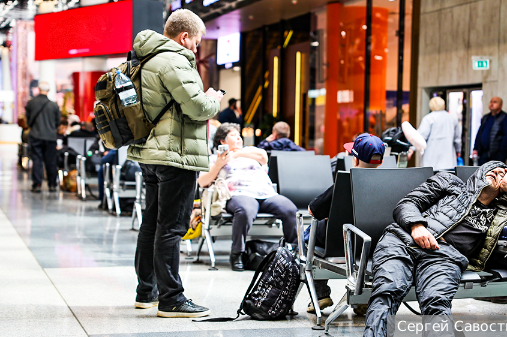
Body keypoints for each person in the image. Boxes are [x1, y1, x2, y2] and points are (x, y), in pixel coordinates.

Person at [364, 161, 507, 337]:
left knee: (437, 302)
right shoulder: (449, 182)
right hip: (403, 241)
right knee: (388, 290)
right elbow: (407, 203)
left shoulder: (504, 213)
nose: (497, 172)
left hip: (444, 257)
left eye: (502, 173)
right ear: (479, 173)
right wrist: (417, 226)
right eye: (492, 169)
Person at [127, 9, 223, 318]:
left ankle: (147, 292)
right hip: (175, 154)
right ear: (184, 37)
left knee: (152, 222)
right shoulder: (174, 60)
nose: (196, 49)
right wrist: (214, 98)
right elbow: (197, 107)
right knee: (171, 227)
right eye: (196, 43)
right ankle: (171, 299)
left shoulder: (144, 58)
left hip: (149, 153)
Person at [198, 123, 299, 271]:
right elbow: (202, 182)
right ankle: (237, 253)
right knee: (245, 210)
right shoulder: (214, 158)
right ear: (222, 142)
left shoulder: (250, 152)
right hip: (239, 193)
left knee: (290, 209)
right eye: (233, 135)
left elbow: (263, 157)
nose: (239, 138)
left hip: (266, 193)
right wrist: (219, 164)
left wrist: (237, 154)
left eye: (239, 136)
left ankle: (294, 251)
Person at [304, 133, 384, 314]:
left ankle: (320, 293)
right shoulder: (389, 184)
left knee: (308, 235)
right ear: (380, 161)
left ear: (355, 160)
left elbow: (313, 210)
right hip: (373, 245)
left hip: (338, 243)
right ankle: (363, 296)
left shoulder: (343, 184)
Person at [25, 81, 61, 193]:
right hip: (50, 137)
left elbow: (28, 120)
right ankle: (52, 184)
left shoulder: (31, 103)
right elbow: (57, 122)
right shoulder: (54, 105)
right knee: (51, 161)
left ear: (38, 89)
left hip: (35, 135)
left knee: (37, 160)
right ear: (48, 90)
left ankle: (37, 184)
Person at [417, 97, 461, 171]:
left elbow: (420, 137)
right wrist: (458, 151)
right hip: (448, 161)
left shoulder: (428, 118)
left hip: (431, 162)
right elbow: (457, 138)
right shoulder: (452, 118)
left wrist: (411, 148)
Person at [473, 96, 507, 164]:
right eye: (491, 102)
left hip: (497, 155)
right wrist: (475, 148)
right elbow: (480, 133)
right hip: (483, 154)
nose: (492, 104)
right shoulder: (486, 118)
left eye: (495, 102)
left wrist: (501, 152)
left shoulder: (505, 118)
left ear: (501, 105)